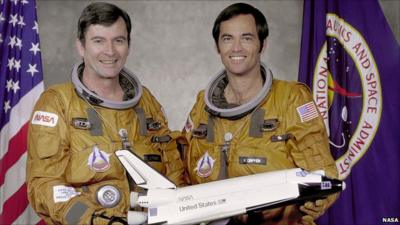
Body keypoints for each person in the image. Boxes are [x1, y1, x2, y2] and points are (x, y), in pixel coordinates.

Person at [26, 2, 185, 224]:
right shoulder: (57, 103)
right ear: (81, 47)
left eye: (118, 41)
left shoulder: (144, 102)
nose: (110, 51)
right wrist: (97, 220)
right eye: (98, 41)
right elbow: (44, 185)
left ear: (128, 45)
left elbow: (173, 167)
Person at [183, 3, 338, 225]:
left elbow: (323, 171)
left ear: (262, 44)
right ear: (217, 46)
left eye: (246, 38)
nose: (236, 48)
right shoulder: (202, 105)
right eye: (227, 38)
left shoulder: (291, 99)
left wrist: (318, 199)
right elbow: (183, 167)